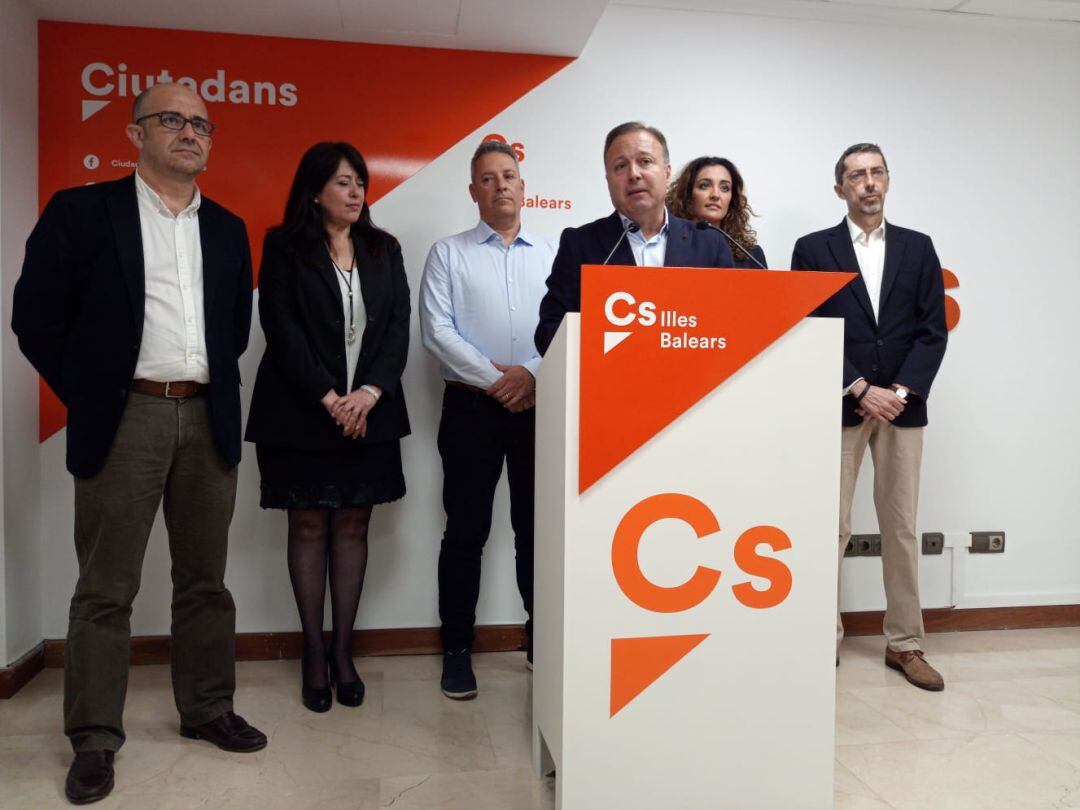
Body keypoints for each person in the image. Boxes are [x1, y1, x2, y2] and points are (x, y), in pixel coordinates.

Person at [12, 82, 264, 805]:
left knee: (205, 581)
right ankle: (94, 737)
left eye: (201, 124)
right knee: (105, 589)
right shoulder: (81, 212)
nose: (190, 133)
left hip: (208, 416)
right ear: (135, 134)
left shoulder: (227, 228)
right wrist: (94, 391)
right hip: (126, 417)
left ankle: (207, 708)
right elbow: (35, 318)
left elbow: (233, 330)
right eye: (172, 120)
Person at [245, 142, 411, 713]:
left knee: (354, 526)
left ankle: (344, 652)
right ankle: (313, 654)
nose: (356, 191)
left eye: (360, 181)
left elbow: (397, 327)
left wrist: (367, 395)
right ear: (314, 191)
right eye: (343, 182)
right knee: (310, 526)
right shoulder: (284, 245)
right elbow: (281, 328)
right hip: (300, 412)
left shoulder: (384, 248)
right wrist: (330, 398)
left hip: (370, 413)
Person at [791, 142, 948, 691]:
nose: (869, 182)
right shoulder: (813, 249)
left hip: (902, 408)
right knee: (828, 528)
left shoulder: (918, 247)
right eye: (857, 175)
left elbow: (932, 331)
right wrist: (858, 386)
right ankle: (821, 641)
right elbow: (806, 325)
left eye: (877, 172)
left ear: (888, 180)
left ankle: (905, 643)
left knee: (900, 527)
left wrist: (897, 391)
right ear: (840, 188)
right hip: (840, 403)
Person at [419, 141, 556, 700]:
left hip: (539, 408)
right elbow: (437, 331)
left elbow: (569, 324)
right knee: (466, 532)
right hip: (470, 410)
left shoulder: (553, 252)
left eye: (509, 175)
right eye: (488, 178)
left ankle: (542, 641)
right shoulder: (448, 254)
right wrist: (501, 382)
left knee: (536, 531)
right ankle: (456, 650)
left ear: (524, 187)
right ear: (473, 191)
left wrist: (530, 375)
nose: (501, 185)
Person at [535, 122, 736, 355]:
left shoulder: (709, 243)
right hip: (608, 373)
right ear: (608, 180)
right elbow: (548, 333)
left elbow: (730, 324)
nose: (633, 174)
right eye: (620, 166)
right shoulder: (580, 244)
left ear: (667, 173)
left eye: (645, 161)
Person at [666, 156, 767, 269]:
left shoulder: (752, 256)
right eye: (704, 186)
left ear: (732, 199)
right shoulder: (667, 246)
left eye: (724, 188)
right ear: (688, 195)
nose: (715, 195)